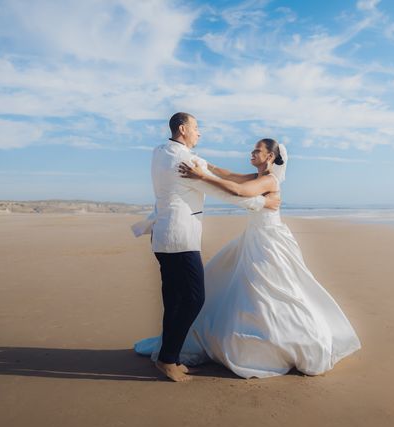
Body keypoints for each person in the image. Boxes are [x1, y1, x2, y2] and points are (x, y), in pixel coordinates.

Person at [135, 138, 361, 378]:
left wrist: (202, 177)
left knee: (269, 287)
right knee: (243, 285)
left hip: (269, 240)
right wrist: (203, 165)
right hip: (253, 237)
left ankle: (278, 341)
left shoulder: (268, 179)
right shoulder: (255, 176)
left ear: (270, 157)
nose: (252, 153)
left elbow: (239, 191)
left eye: (257, 151)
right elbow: (230, 175)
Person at [132, 113, 280, 382]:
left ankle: (171, 357)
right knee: (194, 298)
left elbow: (223, 174)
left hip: (162, 235)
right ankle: (167, 359)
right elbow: (225, 192)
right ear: (183, 129)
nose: (199, 133)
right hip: (180, 236)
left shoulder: (159, 152)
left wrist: (251, 179)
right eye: (196, 128)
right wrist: (263, 204)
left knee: (174, 298)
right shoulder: (184, 160)